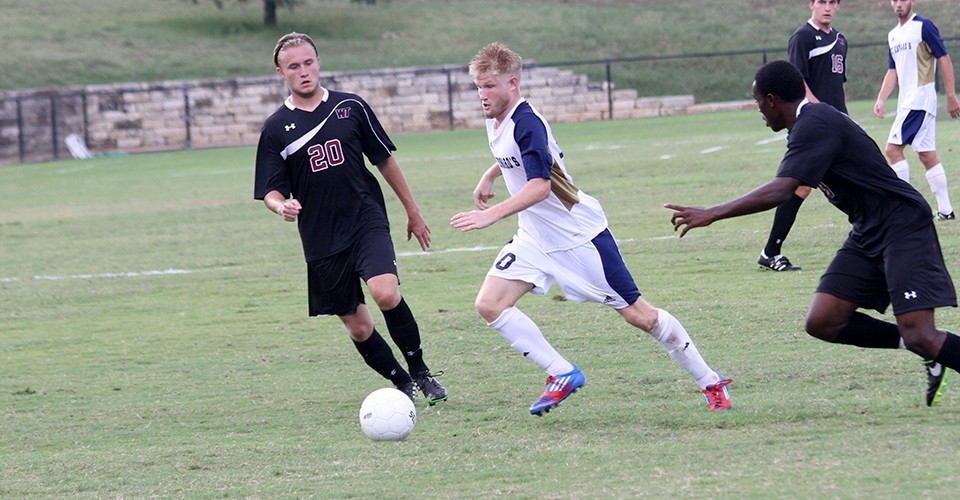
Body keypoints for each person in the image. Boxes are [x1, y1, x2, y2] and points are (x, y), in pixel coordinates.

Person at [450, 42, 732, 416]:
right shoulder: (497, 117)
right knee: (489, 304)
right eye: (478, 87)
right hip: (536, 236)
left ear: (512, 84)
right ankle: (561, 373)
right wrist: (490, 174)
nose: (482, 95)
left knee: (640, 316)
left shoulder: (526, 122)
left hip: (578, 237)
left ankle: (710, 381)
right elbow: (516, 156)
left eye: (489, 86)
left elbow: (541, 186)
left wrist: (492, 214)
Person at [666, 60, 959, 407]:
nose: (757, 108)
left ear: (773, 100)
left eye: (758, 100)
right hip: (868, 229)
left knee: (921, 333)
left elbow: (781, 190)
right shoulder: (808, 125)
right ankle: (928, 350)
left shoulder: (815, 124)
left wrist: (712, 213)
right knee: (824, 321)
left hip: (902, 225)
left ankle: (929, 347)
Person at [253, 32, 447, 405]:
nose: (304, 71)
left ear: (319, 62)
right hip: (321, 238)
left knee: (385, 292)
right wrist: (281, 207)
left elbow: (385, 160)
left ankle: (421, 372)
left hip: (365, 220)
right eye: (294, 66)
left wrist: (413, 211)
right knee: (358, 326)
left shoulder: (351, 108)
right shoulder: (275, 128)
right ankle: (402, 383)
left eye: (309, 62)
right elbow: (271, 191)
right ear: (281, 73)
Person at [757, 0, 848, 273]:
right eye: (822, 2)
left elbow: (838, 87)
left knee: (838, 183)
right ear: (811, 4)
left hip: (836, 125)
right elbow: (798, 84)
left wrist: (844, 118)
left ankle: (770, 251)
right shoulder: (803, 37)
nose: (827, 7)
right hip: (815, 127)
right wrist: (818, 112)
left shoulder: (840, 40)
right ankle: (770, 251)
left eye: (833, 2)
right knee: (802, 185)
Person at [873, 0, 960, 221]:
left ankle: (903, 208)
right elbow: (892, 70)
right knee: (926, 154)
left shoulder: (924, 26)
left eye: (903, 0)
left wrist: (951, 95)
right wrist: (881, 99)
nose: (898, 4)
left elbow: (944, 58)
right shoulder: (893, 34)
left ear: (912, 1)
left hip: (919, 100)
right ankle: (946, 211)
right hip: (909, 101)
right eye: (894, 0)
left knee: (892, 149)